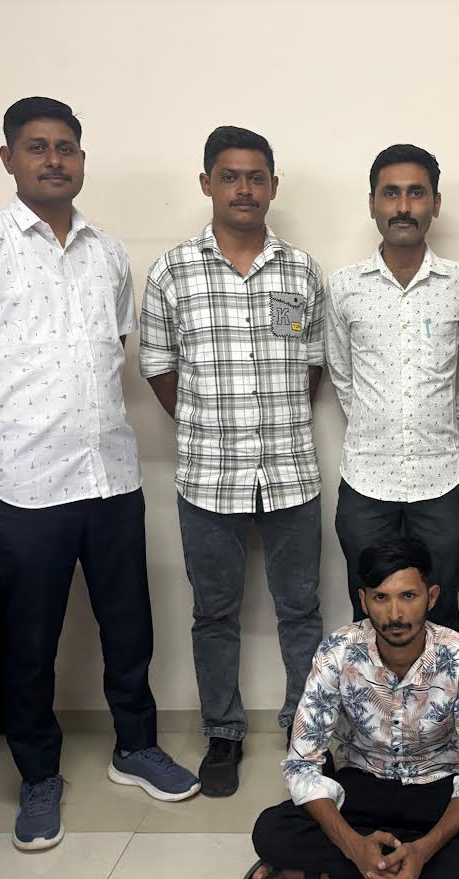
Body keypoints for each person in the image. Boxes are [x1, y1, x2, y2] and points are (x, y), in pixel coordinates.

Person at [0, 96, 199, 852]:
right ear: (8, 158)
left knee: (130, 626)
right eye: (37, 146)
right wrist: (1, 429)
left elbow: (114, 349)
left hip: (110, 475)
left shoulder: (108, 251)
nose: (54, 160)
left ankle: (136, 746)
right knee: (29, 642)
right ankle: (38, 774)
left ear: (81, 159)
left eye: (67, 147)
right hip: (28, 485)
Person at [139, 126, 325, 798]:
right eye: (229, 176)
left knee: (300, 610)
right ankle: (223, 731)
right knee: (214, 613)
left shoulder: (301, 272)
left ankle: (307, 730)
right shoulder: (172, 272)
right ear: (206, 183)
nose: (243, 189)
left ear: (272, 185)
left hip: (290, 474)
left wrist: (273, 421)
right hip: (208, 478)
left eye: (255, 177)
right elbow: (159, 368)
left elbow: (310, 365)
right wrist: (206, 424)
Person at [245, 537, 459, 879]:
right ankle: (405, 863)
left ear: (431, 597)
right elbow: (303, 764)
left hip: (437, 783)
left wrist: (423, 851)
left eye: (408, 596)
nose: (395, 614)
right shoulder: (338, 651)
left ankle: (316, 872)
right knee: (271, 832)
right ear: (364, 600)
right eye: (381, 597)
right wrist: (354, 846)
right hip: (363, 780)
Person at [325, 144, 459, 633]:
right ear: (372, 203)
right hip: (366, 478)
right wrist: (378, 423)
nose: (403, 206)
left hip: (441, 478)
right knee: (370, 613)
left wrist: (440, 426)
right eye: (391, 193)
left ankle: (440, 689)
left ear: (435, 203)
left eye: (416, 193)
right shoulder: (344, 286)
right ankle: (371, 689)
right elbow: (341, 372)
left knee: (440, 609)